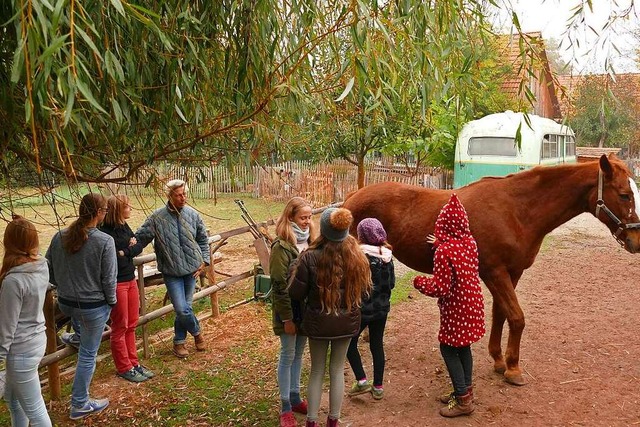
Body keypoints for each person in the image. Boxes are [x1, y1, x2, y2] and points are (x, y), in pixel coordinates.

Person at [289, 207, 371, 427]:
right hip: (346, 323)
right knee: (337, 369)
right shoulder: (357, 257)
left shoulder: (308, 257)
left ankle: (312, 421)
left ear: (323, 230)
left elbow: (295, 293)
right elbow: (364, 292)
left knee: (317, 370)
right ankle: (333, 420)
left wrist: (294, 271)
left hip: (317, 324)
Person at [412, 193, 485, 418]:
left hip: (456, 307)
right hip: (473, 303)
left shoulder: (444, 251)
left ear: (442, 224)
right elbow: (457, 253)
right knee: (463, 347)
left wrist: (419, 282)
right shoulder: (469, 242)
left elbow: (441, 288)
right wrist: (441, 242)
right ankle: (465, 390)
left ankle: (463, 400)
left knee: (447, 347)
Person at [46, 193, 117, 420]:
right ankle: (79, 404)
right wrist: (112, 303)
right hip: (92, 308)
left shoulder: (59, 236)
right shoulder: (104, 241)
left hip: (66, 304)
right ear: (98, 213)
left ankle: (77, 337)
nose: (105, 215)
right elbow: (109, 279)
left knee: (83, 329)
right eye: (104, 211)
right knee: (88, 355)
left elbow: (50, 269)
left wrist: (64, 286)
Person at [136, 179, 210, 358]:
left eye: (185, 194)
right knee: (182, 309)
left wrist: (204, 261)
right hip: (171, 271)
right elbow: (140, 238)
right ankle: (197, 333)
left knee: (185, 307)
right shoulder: (157, 218)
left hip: (192, 270)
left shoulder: (193, 215)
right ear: (169, 196)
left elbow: (202, 239)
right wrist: (124, 248)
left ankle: (179, 342)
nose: (183, 198)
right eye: (178, 195)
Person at [270, 197, 318, 427]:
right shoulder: (281, 247)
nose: (307, 222)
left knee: (299, 355)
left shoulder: (310, 242)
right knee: (288, 355)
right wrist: (287, 318)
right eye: (303, 218)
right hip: (288, 311)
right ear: (290, 218)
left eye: (309, 217)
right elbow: (279, 286)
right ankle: (285, 406)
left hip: (305, 311)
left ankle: (296, 397)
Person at [0, 216, 52, 427]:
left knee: (37, 412)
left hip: (21, 350)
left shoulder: (14, 281)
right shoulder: (40, 267)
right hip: (35, 341)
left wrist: (0, 356)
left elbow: (7, 325)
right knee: (13, 399)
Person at [99, 195, 155, 382]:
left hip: (131, 278)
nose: (130, 208)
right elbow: (114, 256)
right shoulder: (106, 232)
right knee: (120, 325)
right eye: (127, 206)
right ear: (117, 210)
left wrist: (126, 251)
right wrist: (125, 250)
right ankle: (123, 366)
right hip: (117, 282)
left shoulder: (124, 226)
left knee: (132, 323)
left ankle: (134, 362)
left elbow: (138, 245)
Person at [346, 218, 395, 401]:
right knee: (377, 345)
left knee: (350, 344)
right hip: (381, 310)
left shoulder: (358, 256)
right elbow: (391, 284)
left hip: (361, 310)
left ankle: (361, 380)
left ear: (362, 235)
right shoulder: (387, 256)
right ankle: (379, 387)